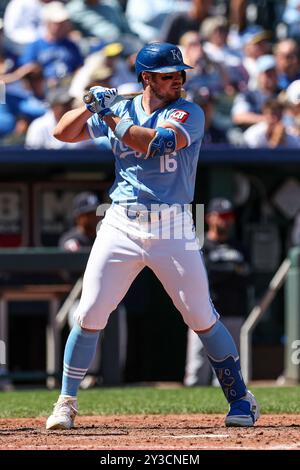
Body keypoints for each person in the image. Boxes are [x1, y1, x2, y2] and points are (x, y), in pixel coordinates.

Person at [46, 42, 259, 430]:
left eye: (180, 74)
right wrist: (91, 104)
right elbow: (63, 133)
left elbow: (154, 143)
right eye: (168, 75)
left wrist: (109, 117)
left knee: (200, 316)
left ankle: (241, 399)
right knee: (91, 311)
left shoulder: (188, 111)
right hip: (121, 222)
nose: (178, 80)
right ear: (147, 78)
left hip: (173, 221)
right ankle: (66, 402)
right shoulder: (122, 108)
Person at [184, 197, 252, 386]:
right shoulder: (199, 244)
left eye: (228, 216)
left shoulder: (239, 247)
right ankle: (188, 413)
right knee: (197, 369)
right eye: (221, 216)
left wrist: (221, 270)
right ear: (209, 218)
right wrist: (232, 269)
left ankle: (220, 410)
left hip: (233, 313)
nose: (225, 220)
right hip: (203, 313)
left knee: (229, 369)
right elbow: (206, 275)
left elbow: (247, 277)